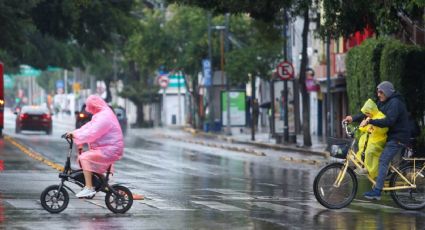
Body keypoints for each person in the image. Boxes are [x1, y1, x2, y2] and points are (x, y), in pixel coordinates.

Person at [343, 81, 409, 200]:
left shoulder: (395, 103)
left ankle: (377, 191)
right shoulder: (383, 103)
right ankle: (379, 176)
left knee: (383, 160)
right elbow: (369, 115)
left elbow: (389, 121)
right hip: (389, 136)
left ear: (388, 92)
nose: (378, 94)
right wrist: (352, 118)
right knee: (371, 149)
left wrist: (370, 121)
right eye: (378, 92)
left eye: (381, 92)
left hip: (398, 137)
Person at [67, 95, 124, 198]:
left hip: (110, 149)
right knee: (84, 158)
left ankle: (89, 187)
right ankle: (98, 183)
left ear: (95, 106)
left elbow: (92, 133)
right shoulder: (100, 115)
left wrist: (76, 136)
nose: (90, 110)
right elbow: (87, 127)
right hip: (107, 148)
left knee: (85, 158)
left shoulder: (104, 117)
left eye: (91, 108)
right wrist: (74, 133)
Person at [354, 99, 388, 179]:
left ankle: (369, 170)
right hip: (371, 138)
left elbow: (384, 128)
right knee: (362, 145)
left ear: (372, 110)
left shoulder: (380, 116)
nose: (367, 115)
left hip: (379, 139)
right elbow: (364, 127)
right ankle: (361, 164)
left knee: (369, 151)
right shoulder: (370, 117)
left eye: (368, 113)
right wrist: (362, 125)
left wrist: (372, 126)